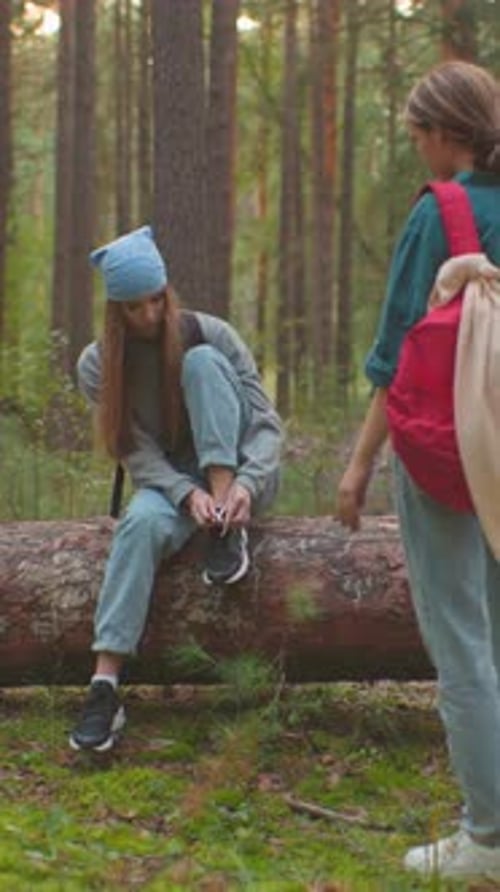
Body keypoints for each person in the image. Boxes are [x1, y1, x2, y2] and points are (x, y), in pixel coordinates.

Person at [337, 61, 500, 879]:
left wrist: (359, 465)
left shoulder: (442, 213)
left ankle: (487, 838)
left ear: (444, 132)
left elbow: (394, 356)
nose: (413, 145)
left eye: (414, 131)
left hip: (445, 449)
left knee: (462, 636)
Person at [69, 226, 282, 753]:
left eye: (155, 301)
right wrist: (187, 495)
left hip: (240, 475)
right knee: (139, 524)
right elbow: (135, 452)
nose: (148, 316)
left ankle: (228, 533)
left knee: (202, 366)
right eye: (133, 307)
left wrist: (243, 488)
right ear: (115, 312)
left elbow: (266, 425)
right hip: (171, 486)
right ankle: (105, 686)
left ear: (167, 293)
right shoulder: (98, 366)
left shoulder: (211, 334)